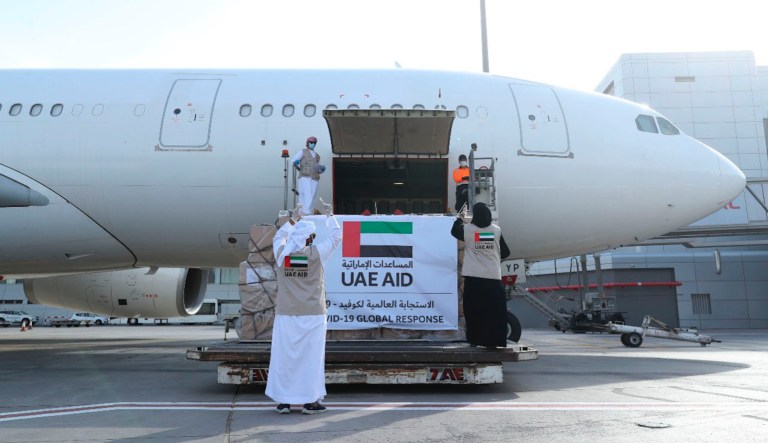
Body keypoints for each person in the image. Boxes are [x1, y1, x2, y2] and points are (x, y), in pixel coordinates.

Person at [266, 201, 342, 415]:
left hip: (286, 314)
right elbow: (336, 237)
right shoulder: (316, 254)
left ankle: (284, 402)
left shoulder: (283, 256)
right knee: (311, 359)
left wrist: (293, 219)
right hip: (313, 315)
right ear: (310, 238)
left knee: (284, 357)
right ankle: (310, 402)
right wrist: (329, 216)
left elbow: (278, 237)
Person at [451, 202, 510, 348]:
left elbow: (453, 231)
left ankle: (475, 340)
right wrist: (493, 256)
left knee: (474, 312)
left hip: (474, 278)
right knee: (494, 312)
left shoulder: (468, 230)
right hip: (493, 277)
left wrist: (460, 217)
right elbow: (506, 252)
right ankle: (494, 342)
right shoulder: (496, 230)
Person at [292, 136, 326, 215]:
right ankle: (304, 212)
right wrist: (296, 163)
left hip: (314, 178)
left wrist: (321, 169)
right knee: (306, 194)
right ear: (307, 143)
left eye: (314, 143)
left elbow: (317, 167)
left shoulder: (317, 156)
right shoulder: (302, 152)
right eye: (311, 142)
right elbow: (293, 160)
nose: (312, 144)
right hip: (305, 176)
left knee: (312, 196)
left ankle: (309, 212)